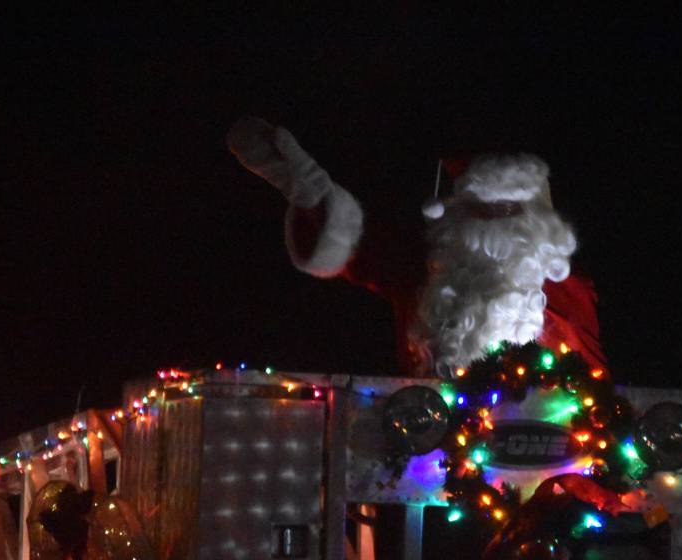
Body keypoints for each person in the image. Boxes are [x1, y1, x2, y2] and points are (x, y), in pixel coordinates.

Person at [227, 117, 605, 377]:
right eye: (481, 210)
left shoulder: (570, 294)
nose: (495, 220)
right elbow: (352, 245)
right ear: (458, 216)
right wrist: (307, 187)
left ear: (536, 222)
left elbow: (600, 398)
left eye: (509, 211)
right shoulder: (425, 279)